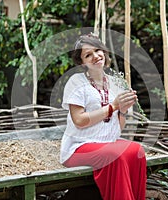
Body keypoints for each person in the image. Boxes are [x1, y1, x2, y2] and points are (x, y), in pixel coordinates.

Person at [60, 33, 147, 200]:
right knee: (116, 155)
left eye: (97, 50)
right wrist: (113, 106)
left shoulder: (115, 82)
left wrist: (122, 110)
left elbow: (118, 128)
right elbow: (79, 120)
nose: (95, 56)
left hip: (108, 143)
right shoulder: (76, 82)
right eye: (88, 55)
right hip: (79, 146)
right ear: (82, 62)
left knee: (137, 151)